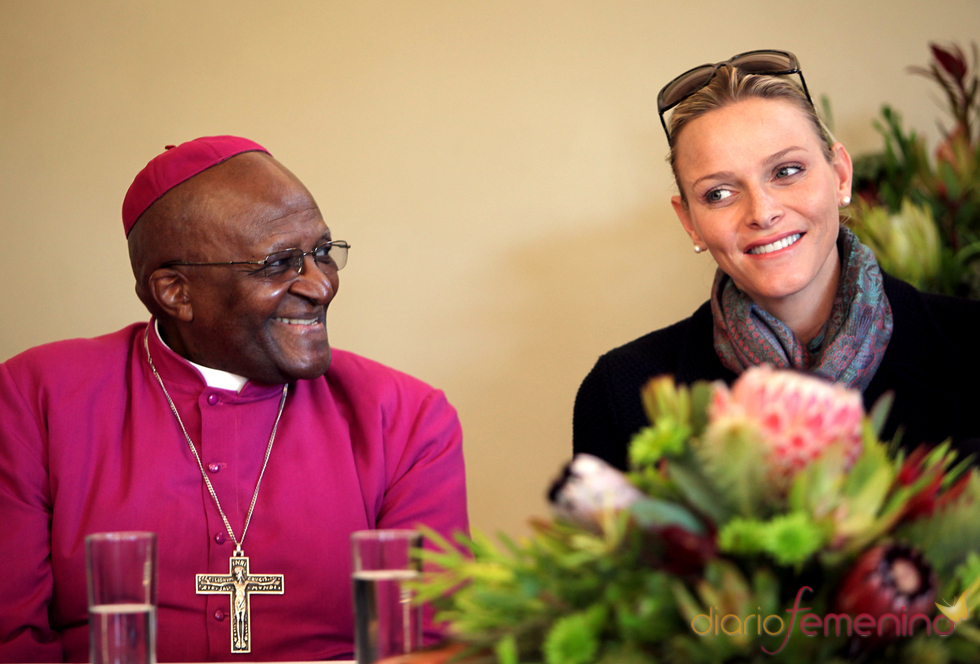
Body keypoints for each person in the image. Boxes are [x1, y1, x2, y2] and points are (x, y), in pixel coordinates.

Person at [0, 136, 469, 662]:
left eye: (321, 254)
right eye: (279, 264)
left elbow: (425, 642)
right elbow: (9, 638)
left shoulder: (404, 417)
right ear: (175, 292)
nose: (320, 287)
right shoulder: (36, 398)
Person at [573, 50, 980, 470]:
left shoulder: (972, 343)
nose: (762, 213)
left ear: (840, 175)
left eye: (786, 171)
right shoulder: (622, 391)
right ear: (689, 221)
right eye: (719, 193)